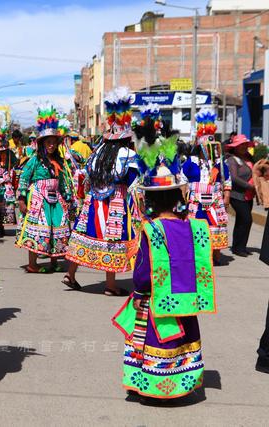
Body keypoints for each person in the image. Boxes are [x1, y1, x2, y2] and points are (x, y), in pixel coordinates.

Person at [112, 137, 215, 402]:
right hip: (186, 301)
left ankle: (152, 388)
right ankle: (182, 382)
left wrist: (138, 291)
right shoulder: (195, 227)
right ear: (178, 195)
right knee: (183, 341)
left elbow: (143, 274)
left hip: (156, 303)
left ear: (150, 199)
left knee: (153, 344)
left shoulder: (152, 228)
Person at [65, 87, 140, 296]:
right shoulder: (128, 154)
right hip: (115, 201)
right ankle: (110, 285)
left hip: (94, 201)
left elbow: (87, 175)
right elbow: (134, 181)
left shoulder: (98, 152)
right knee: (112, 238)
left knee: (82, 234)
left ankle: (70, 274)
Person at [16, 105, 72, 273]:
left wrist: (68, 198)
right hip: (38, 198)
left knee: (58, 227)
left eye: (54, 142)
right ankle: (33, 264)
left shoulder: (60, 161)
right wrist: (21, 200)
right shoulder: (34, 160)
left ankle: (54, 261)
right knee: (37, 228)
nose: (51, 145)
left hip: (56, 199)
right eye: (48, 142)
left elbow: (63, 181)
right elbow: (24, 178)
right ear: (42, 143)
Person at [183, 108, 231, 265]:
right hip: (196, 202)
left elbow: (226, 180)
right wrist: (184, 199)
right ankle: (199, 255)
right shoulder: (191, 162)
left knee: (216, 225)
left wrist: (227, 196)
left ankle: (215, 255)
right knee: (197, 227)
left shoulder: (218, 163)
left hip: (215, 201)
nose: (208, 149)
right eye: (205, 146)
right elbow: (182, 181)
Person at [226, 134, 255, 257]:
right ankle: (239, 248)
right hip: (237, 195)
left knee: (241, 221)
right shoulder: (232, 159)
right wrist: (250, 186)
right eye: (240, 145)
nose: (243, 147)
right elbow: (234, 177)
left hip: (248, 196)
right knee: (247, 219)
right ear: (235, 147)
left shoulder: (248, 157)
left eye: (244, 145)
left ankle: (239, 246)